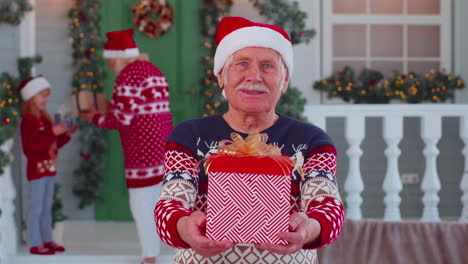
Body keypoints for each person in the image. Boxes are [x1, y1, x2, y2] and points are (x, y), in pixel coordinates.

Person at [154, 16, 345, 264]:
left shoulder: (312, 142)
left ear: (284, 81)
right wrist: (183, 226)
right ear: (222, 76)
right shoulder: (189, 137)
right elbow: (169, 204)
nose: (254, 76)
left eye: (268, 66)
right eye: (242, 64)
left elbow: (329, 208)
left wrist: (310, 228)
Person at [79, 29, 173, 264]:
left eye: (111, 58)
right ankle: (162, 249)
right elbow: (137, 108)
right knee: (160, 200)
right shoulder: (153, 70)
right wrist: (111, 105)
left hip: (142, 150)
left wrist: (94, 117)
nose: (109, 64)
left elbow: (122, 119)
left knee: (141, 204)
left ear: (121, 56)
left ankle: (150, 256)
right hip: (165, 145)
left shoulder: (127, 76)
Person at [19, 76, 76, 255]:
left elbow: (53, 144)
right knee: (36, 207)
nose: (46, 99)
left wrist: (65, 134)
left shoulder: (45, 118)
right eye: (42, 96)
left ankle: (47, 239)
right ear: (31, 98)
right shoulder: (29, 120)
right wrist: (53, 131)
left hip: (50, 169)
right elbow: (32, 146)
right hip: (37, 171)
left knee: (46, 206)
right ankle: (35, 243)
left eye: (46, 96)